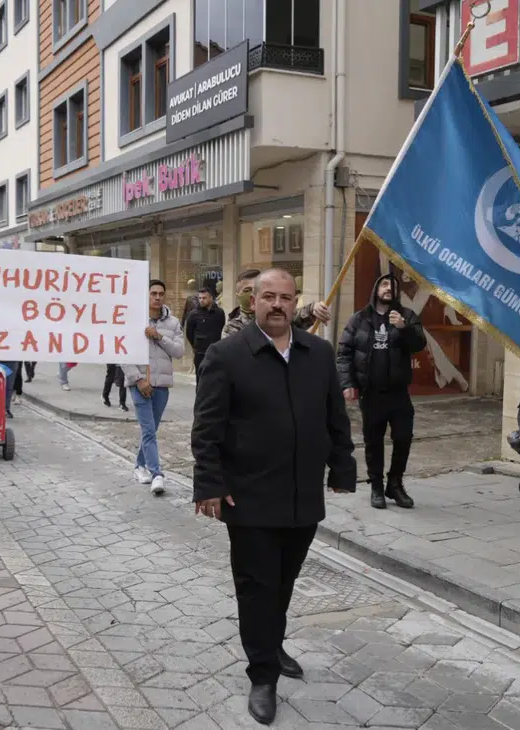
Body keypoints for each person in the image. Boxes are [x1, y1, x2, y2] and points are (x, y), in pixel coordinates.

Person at [192, 268, 355, 726]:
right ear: (254, 301)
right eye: (269, 297)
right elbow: (206, 427)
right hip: (248, 496)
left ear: (295, 300)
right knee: (257, 586)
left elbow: (335, 417)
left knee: (283, 582)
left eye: (285, 297)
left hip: (302, 496)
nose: (278, 304)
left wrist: (343, 467)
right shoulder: (228, 354)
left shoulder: (318, 353)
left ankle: (272, 643)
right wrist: (209, 484)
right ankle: (262, 676)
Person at [336, 273, 426, 509]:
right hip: (371, 393)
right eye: (385, 284)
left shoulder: (406, 316)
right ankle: (376, 485)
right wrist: (347, 384)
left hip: (398, 393)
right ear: (376, 288)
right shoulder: (359, 319)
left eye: (393, 286)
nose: (389, 289)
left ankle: (394, 483)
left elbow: (419, 344)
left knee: (404, 438)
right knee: (373, 441)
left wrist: (403, 328)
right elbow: (344, 353)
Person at [122, 280, 184, 496]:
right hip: (139, 383)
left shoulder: (174, 323)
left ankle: (139, 466)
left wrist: (158, 336)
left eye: (160, 294)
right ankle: (156, 473)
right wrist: (138, 379)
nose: (157, 297)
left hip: (162, 384)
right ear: (146, 296)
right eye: (153, 293)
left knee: (152, 429)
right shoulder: (132, 320)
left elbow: (179, 351)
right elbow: (122, 353)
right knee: (148, 430)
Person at [221, 268, 330, 338]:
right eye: (247, 290)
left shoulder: (275, 316)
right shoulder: (233, 328)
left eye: (255, 290)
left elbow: (298, 316)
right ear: (238, 296)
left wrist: (314, 308)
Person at [184, 284, 225, 375]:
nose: (201, 300)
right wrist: (196, 345)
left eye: (204, 298)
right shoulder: (194, 314)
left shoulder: (219, 313)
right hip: (200, 353)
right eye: (200, 298)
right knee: (200, 380)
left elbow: (221, 327)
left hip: (215, 352)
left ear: (211, 298)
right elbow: (189, 333)